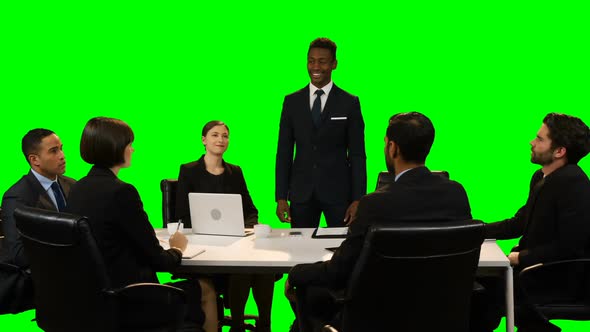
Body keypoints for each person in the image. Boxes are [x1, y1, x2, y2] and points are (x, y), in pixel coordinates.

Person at [285, 112, 472, 332]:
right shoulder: (456, 194)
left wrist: (295, 273)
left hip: (377, 319)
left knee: (309, 292)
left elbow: (337, 273)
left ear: (393, 148)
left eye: (385, 143)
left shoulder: (374, 204)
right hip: (438, 317)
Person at [65, 117, 216, 332]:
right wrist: (176, 248)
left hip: (93, 300)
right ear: (116, 148)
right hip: (131, 299)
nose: (133, 150)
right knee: (206, 288)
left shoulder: (76, 189)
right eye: (129, 144)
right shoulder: (121, 192)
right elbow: (161, 262)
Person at [473, 113, 590, 332]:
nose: (532, 142)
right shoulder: (541, 177)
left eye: (539, 138)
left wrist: (521, 257)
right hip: (531, 270)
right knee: (480, 286)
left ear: (559, 151)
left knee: (481, 294)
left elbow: (570, 246)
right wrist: (473, 229)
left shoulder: (574, 183)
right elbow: (519, 223)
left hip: (552, 277)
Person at [175, 120, 274, 332]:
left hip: (237, 241)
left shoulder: (235, 171)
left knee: (264, 266)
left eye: (225, 136)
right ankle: (237, 325)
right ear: (203, 140)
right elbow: (182, 214)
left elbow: (250, 209)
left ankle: (265, 324)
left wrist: (248, 228)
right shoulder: (189, 171)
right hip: (205, 246)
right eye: (215, 135)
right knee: (241, 268)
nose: (221, 139)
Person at [275, 37, 366, 228]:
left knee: (341, 249)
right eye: (311, 60)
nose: (315, 66)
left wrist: (358, 199)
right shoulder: (291, 102)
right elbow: (284, 152)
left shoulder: (349, 102)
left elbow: (357, 155)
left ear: (334, 64)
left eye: (322, 61)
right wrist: (281, 196)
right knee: (300, 252)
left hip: (339, 194)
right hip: (301, 194)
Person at [0, 128, 76, 313]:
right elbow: (18, 254)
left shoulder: (73, 185)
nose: (62, 156)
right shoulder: (17, 197)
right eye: (54, 151)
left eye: (61, 148)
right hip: (47, 280)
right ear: (34, 160)